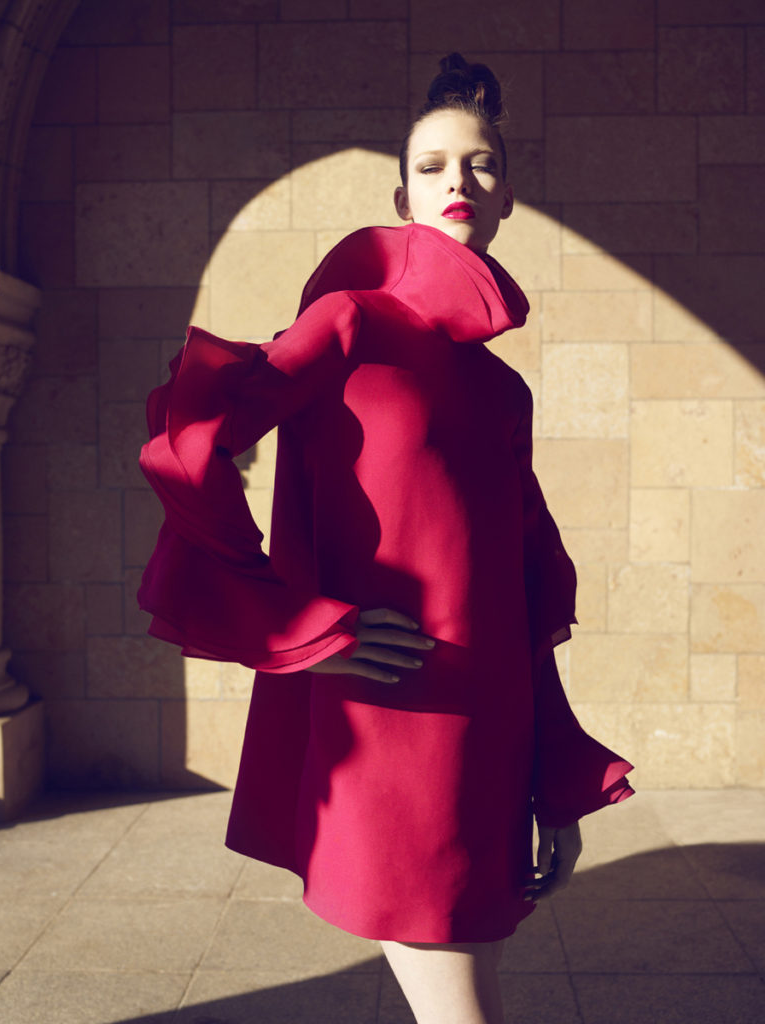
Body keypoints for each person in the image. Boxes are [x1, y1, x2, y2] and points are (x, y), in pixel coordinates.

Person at [139, 54, 634, 1024]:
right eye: (433, 165)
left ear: (508, 196)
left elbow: (521, 596)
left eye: (482, 164)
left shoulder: (502, 390)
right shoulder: (349, 324)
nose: (459, 181)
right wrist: (293, 625)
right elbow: (187, 444)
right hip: (393, 716)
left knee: (466, 988)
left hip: (491, 724)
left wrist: (557, 781)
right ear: (402, 197)